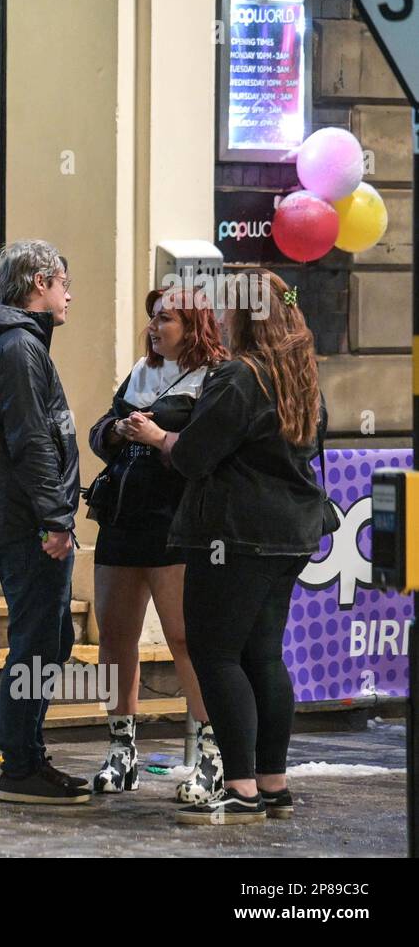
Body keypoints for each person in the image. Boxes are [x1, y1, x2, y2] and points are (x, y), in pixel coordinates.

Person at [122, 270, 328, 824]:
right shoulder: (299, 373)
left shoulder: (238, 376)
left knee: (217, 655)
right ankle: (272, 785)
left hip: (233, 535)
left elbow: (193, 457)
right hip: (289, 534)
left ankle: (239, 789)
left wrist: (157, 437)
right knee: (263, 654)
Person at [86, 287, 227, 801]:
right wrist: (119, 431)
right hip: (123, 521)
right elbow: (98, 432)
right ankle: (122, 750)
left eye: (165, 318)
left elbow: (206, 453)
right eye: (152, 317)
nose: (154, 326)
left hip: (177, 523)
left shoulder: (214, 377)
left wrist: (155, 439)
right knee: (115, 637)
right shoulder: (140, 373)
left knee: (184, 638)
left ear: (193, 325)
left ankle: (212, 756)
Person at [0, 239, 88, 804]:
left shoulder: (11, 342)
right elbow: (31, 441)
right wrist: (56, 518)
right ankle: (19, 765)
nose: (68, 295)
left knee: (50, 638)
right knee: (37, 643)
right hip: (28, 523)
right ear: (39, 282)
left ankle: (26, 754)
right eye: (63, 283)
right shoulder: (17, 346)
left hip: (21, 518)